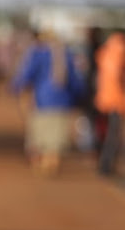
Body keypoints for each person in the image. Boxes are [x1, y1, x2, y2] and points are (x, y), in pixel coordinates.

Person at [11, 30, 85, 176]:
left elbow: (27, 74)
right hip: (63, 101)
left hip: (42, 101)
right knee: (56, 133)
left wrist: (16, 87)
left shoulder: (38, 54)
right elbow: (75, 80)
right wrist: (79, 95)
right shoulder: (66, 55)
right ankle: (52, 158)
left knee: (42, 131)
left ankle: (46, 159)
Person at [94, 30, 125, 176]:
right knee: (113, 134)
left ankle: (105, 164)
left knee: (108, 132)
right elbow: (120, 78)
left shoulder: (105, 51)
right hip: (117, 100)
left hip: (105, 99)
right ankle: (106, 165)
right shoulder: (120, 52)